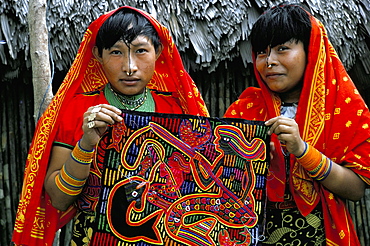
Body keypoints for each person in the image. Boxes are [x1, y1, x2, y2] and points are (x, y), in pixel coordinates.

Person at [12, 6, 208, 245]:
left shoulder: (178, 110)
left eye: (141, 51)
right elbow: (59, 199)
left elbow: (201, 185)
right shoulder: (75, 111)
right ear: (97, 54)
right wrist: (85, 144)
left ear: (158, 52)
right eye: (116, 52)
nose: (129, 66)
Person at [224, 4, 370, 245]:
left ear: (311, 51)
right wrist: (248, 162)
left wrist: (302, 150)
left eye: (282, 49)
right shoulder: (244, 110)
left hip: (320, 237)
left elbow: (355, 190)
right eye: (262, 52)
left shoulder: (343, 109)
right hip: (255, 235)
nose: (269, 61)